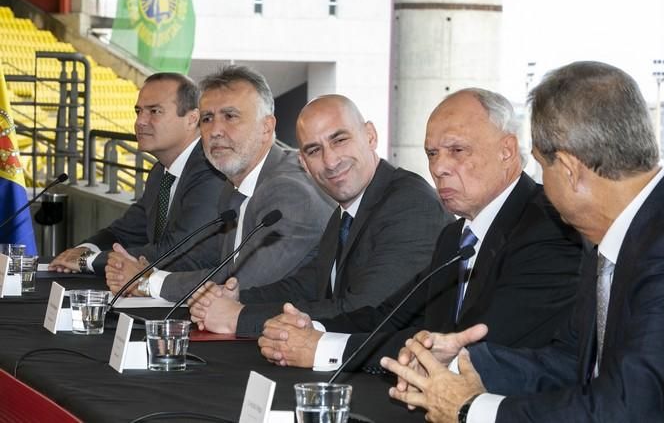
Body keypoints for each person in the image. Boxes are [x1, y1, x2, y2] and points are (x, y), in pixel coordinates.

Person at [381, 62, 664, 422]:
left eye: (541, 166)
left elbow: (631, 408)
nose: (539, 181)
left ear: (569, 169)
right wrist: (462, 363)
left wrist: (471, 410)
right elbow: (571, 363)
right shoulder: (610, 241)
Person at [256, 88, 583, 372]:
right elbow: (390, 316)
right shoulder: (455, 238)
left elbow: (465, 349)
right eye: (432, 154)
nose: (439, 168)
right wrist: (304, 329)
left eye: (457, 151)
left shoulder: (549, 227)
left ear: (507, 151)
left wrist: (325, 349)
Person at [188, 94, 453, 336]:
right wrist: (237, 299)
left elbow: (366, 311)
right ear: (303, 163)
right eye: (314, 150)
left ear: (370, 136)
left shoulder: (410, 204)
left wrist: (241, 318)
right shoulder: (346, 209)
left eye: (339, 140)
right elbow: (310, 284)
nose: (330, 161)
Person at [104, 65, 334, 300]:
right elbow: (212, 260)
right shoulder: (231, 187)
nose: (215, 131)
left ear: (266, 128)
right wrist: (140, 272)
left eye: (230, 116)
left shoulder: (290, 191)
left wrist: (148, 282)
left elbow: (238, 283)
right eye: (207, 118)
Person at [49, 73, 226, 275]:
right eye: (138, 111)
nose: (140, 121)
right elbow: (125, 232)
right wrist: (85, 249)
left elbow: (178, 253)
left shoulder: (210, 171)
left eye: (154, 111)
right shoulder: (161, 172)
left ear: (192, 119)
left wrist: (88, 261)